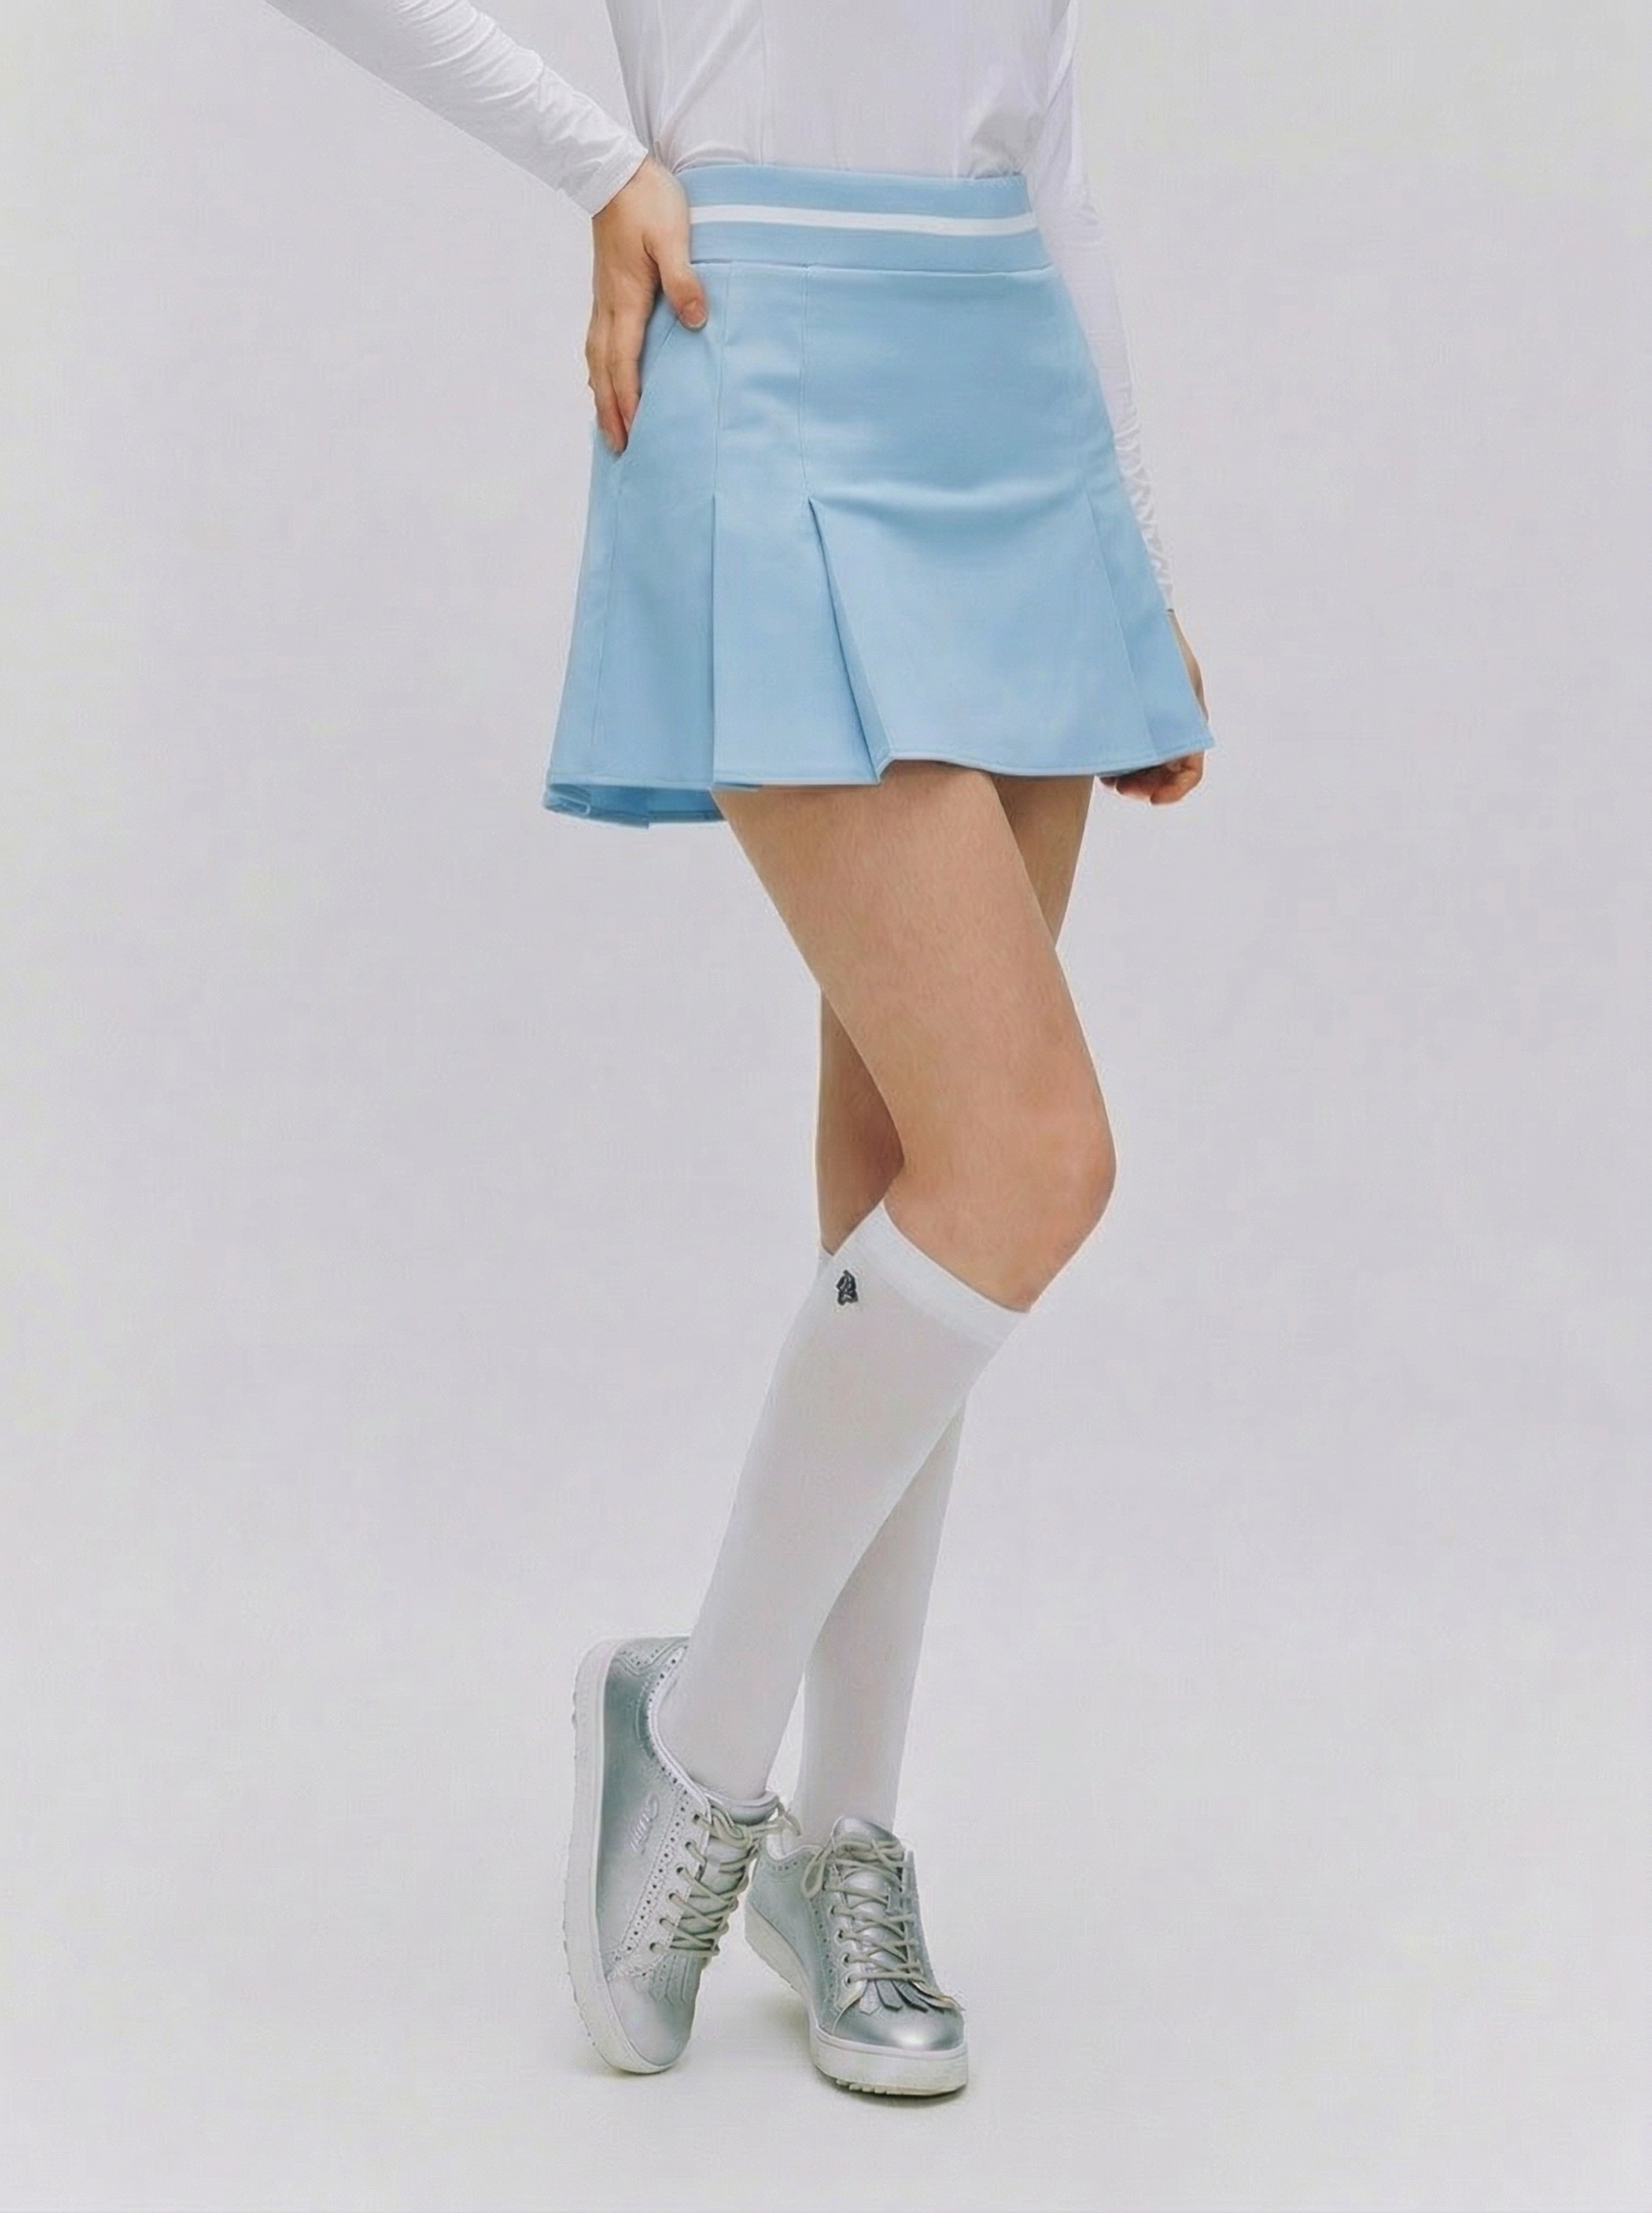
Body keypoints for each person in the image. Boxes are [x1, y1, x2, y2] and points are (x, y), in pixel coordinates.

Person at [265, 0, 1214, 2099]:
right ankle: (695, 1742)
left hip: (1009, 386)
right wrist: (600, 162)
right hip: (764, 348)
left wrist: (1133, 543)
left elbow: (1044, 124)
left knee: (920, 1191)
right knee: (1028, 1162)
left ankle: (836, 1832)